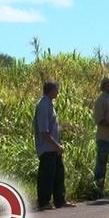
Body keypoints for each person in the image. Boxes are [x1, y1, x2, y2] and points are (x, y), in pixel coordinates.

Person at [33, 80, 75, 210]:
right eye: (57, 89)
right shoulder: (43, 105)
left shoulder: (49, 104)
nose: (58, 92)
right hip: (47, 148)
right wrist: (57, 145)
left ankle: (60, 200)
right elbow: (44, 131)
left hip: (53, 148)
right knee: (47, 176)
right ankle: (44, 202)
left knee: (58, 174)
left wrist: (57, 146)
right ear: (51, 90)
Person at [92, 75, 109, 199]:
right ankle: (98, 190)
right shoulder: (100, 100)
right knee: (102, 163)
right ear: (105, 84)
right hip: (104, 137)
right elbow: (99, 120)